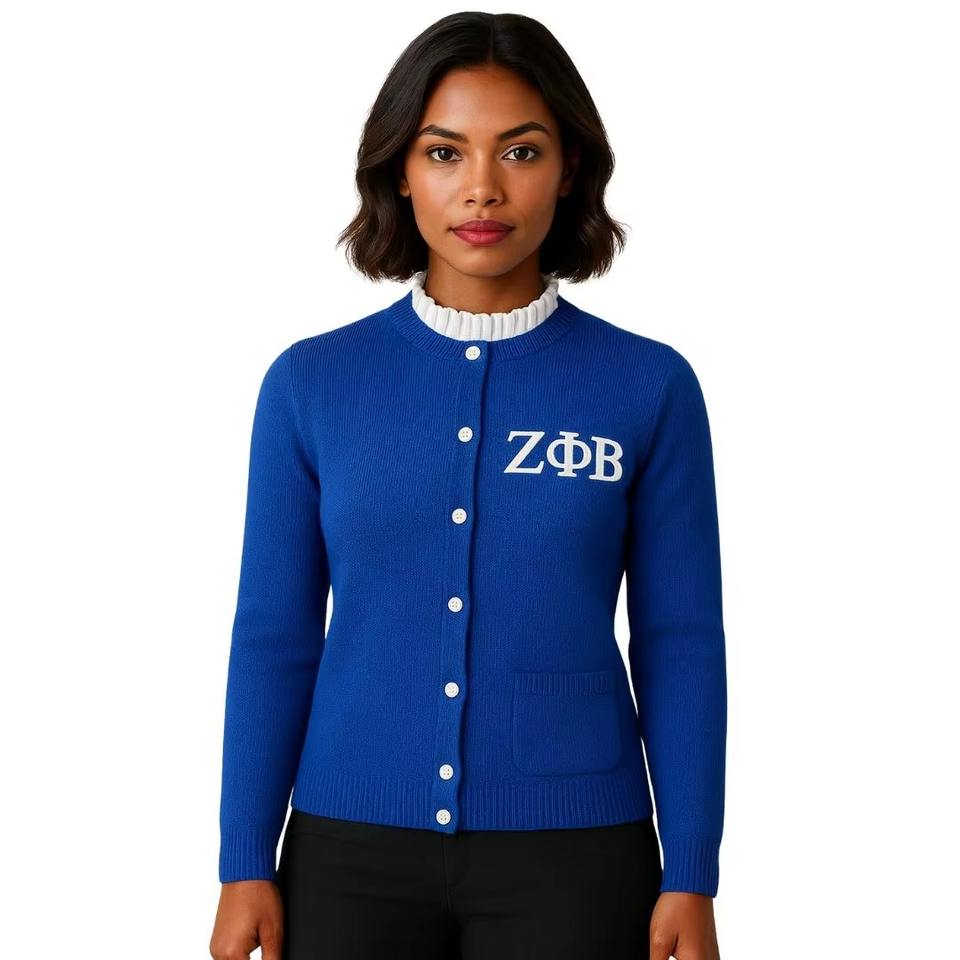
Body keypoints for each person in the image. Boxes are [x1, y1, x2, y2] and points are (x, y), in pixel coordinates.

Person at [209, 12, 726, 960]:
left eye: (520, 151)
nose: (482, 187)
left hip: (576, 854)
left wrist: (691, 869)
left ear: (569, 168)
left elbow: (680, 641)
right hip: (347, 849)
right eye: (444, 152)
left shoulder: (647, 386)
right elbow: (274, 633)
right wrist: (243, 856)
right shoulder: (311, 384)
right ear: (400, 172)